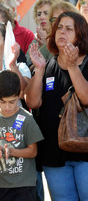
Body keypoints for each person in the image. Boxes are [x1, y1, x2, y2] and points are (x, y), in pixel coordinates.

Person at [25, 11, 88, 201]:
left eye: (69, 29)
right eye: (59, 28)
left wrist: (72, 66)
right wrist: (39, 71)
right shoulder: (48, 64)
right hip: (54, 150)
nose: (62, 32)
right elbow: (32, 102)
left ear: (79, 35)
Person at [0, 70, 43, 201]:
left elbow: (33, 151)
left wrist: (12, 151)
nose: (7, 107)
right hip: (2, 185)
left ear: (19, 95)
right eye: (2, 102)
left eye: (12, 102)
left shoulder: (26, 119)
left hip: (24, 185)